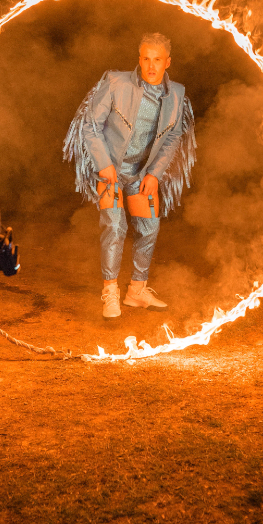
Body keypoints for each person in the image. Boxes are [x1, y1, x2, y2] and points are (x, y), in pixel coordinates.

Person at [64, 32, 196, 317]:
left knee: (149, 227)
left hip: (141, 174)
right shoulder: (115, 82)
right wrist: (103, 164)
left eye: (157, 60)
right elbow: (90, 125)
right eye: (146, 58)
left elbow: (173, 137)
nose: (151, 66)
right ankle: (110, 292)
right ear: (139, 59)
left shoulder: (177, 94)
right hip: (110, 171)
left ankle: (137, 291)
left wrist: (155, 174)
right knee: (114, 226)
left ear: (167, 62)